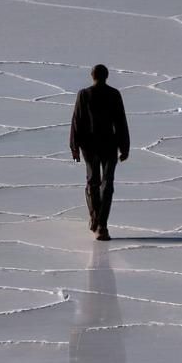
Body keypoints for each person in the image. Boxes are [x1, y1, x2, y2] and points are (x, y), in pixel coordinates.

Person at [69, 64, 130, 241]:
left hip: (90, 146)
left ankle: (97, 221)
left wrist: (74, 147)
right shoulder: (112, 94)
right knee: (106, 184)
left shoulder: (85, 94)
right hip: (108, 145)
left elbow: (76, 121)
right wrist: (124, 147)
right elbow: (121, 123)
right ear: (106, 76)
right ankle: (101, 225)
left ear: (92, 75)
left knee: (93, 182)